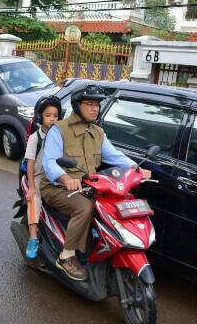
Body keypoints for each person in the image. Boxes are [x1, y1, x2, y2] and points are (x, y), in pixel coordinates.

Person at [41, 85, 151, 281]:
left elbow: (114, 155)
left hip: (87, 187)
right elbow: (49, 162)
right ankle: (66, 256)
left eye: (97, 104)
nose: (95, 108)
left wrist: (136, 169)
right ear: (77, 106)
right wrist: (66, 178)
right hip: (57, 187)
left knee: (111, 205)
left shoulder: (98, 132)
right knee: (85, 207)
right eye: (90, 104)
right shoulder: (60, 129)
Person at [24, 96, 63, 259]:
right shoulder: (35, 138)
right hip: (40, 176)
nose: (52, 119)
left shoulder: (61, 135)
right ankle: (33, 238)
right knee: (34, 200)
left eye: (55, 115)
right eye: (48, 115)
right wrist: (32, 186)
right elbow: (30, 163)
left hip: (58, 175)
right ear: (40, 116)